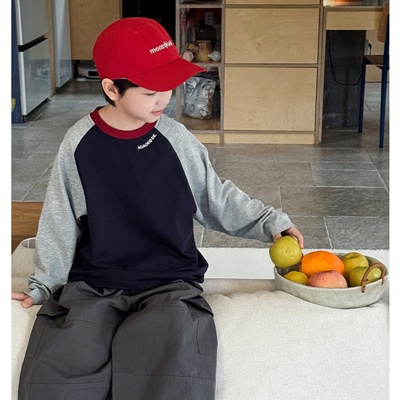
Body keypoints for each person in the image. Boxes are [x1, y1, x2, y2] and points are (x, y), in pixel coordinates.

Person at [11, 17, 304, 400]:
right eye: (150, 92)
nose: (163, 100)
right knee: (60, 371)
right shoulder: (79, 144)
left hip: (169, 283)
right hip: (95, 282)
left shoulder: (175, 139)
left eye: (168, 87)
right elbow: (60, 219)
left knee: (173, 370)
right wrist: (43, 285)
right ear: (112, 89)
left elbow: (214, 197)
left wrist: (269, 222)